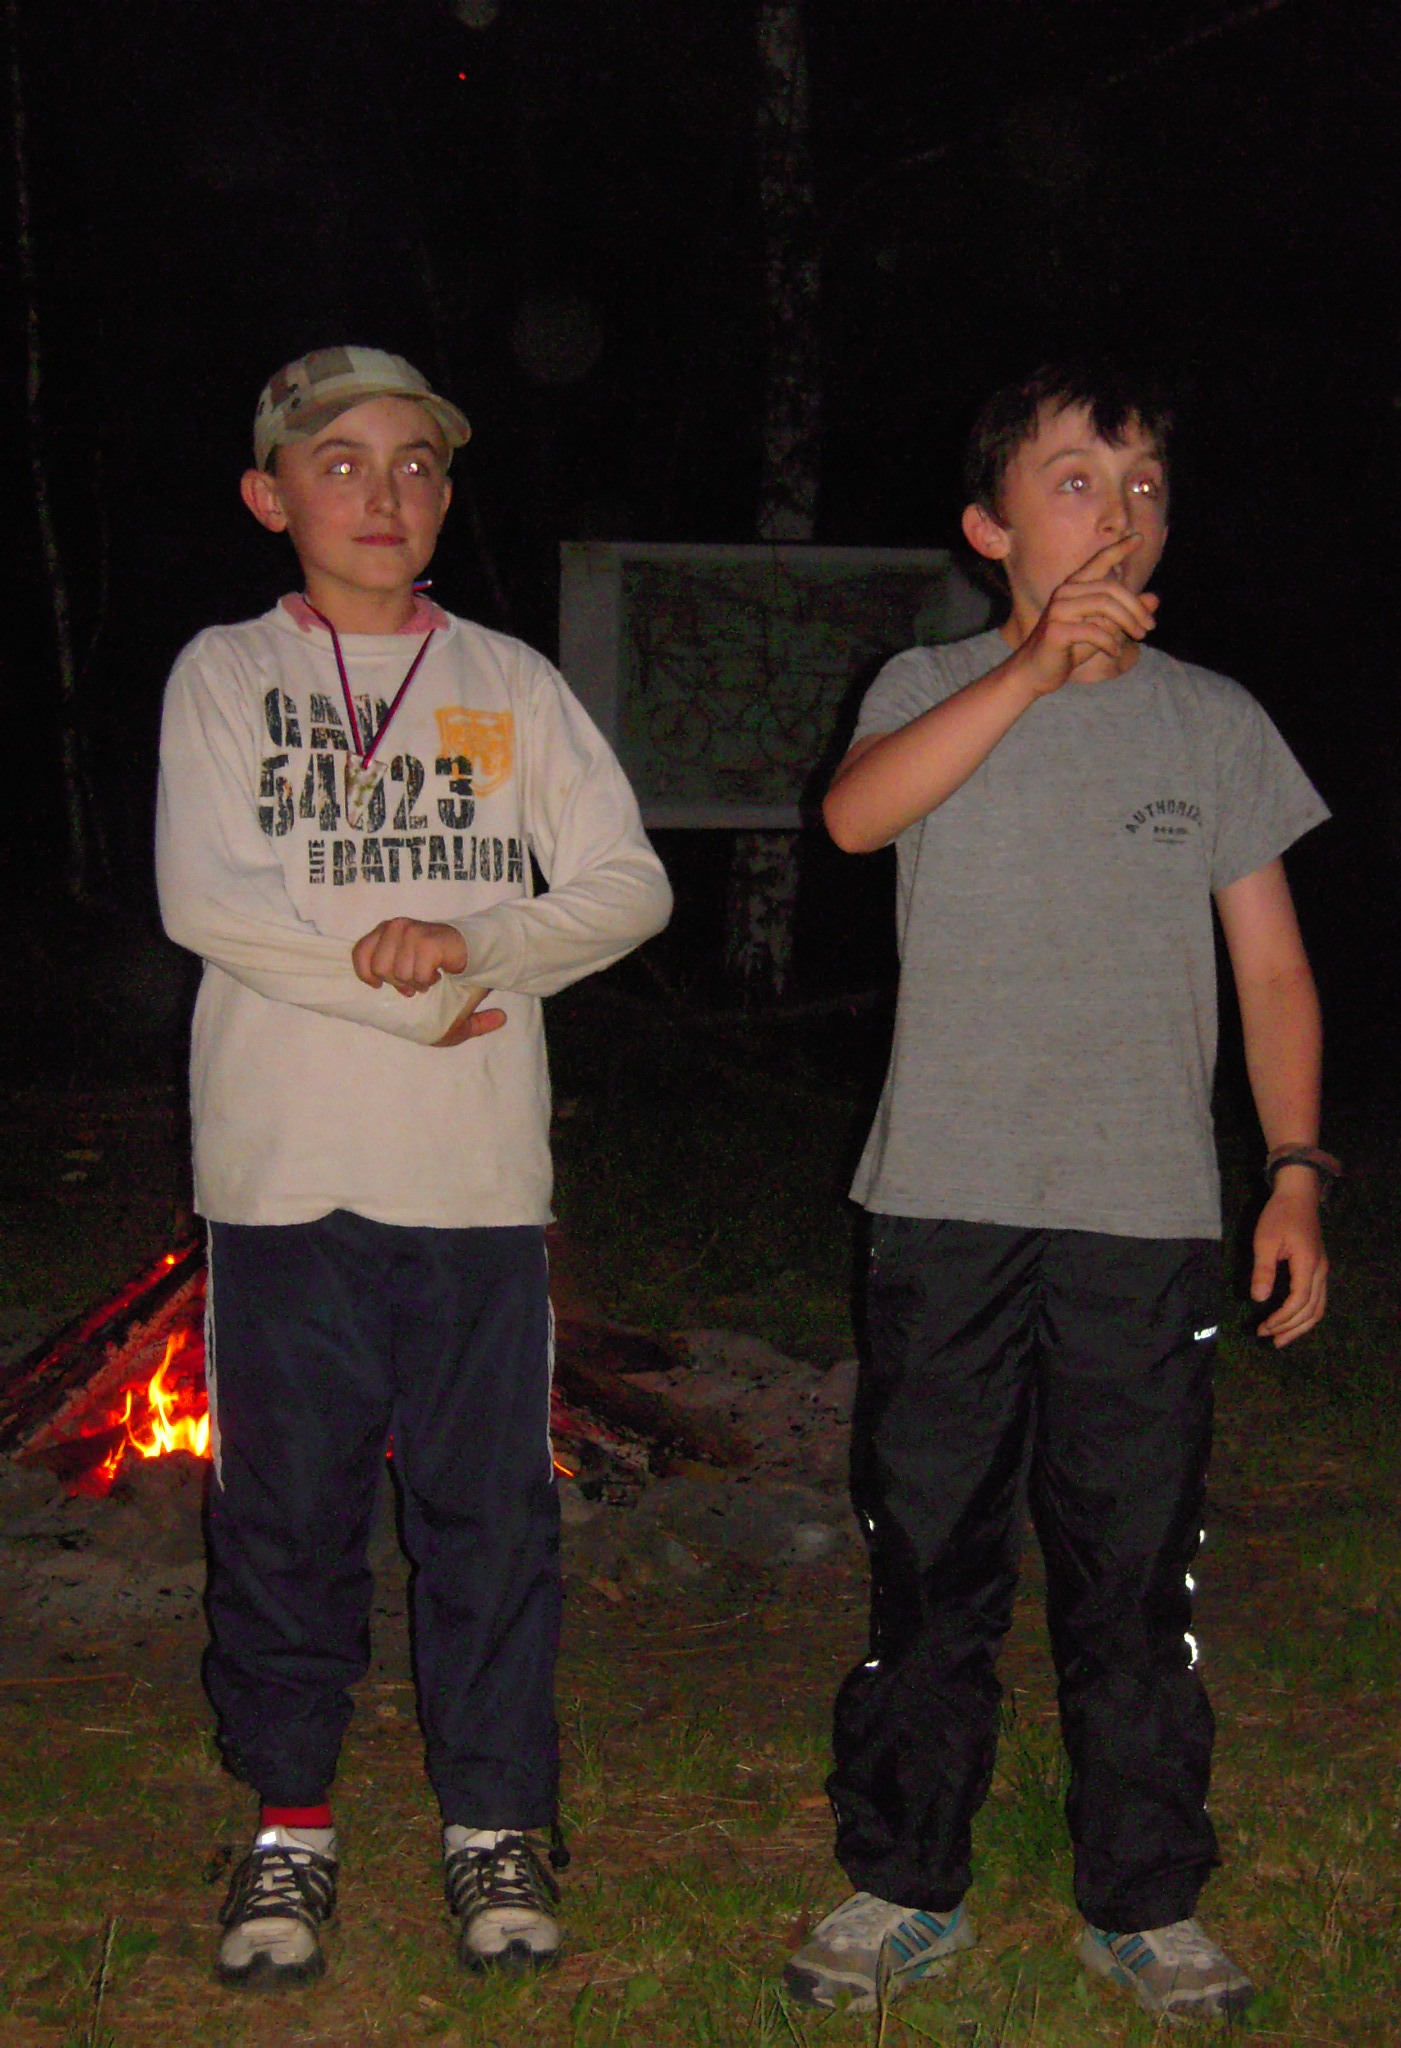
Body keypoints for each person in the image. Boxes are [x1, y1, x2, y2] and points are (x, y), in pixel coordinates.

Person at [783, 363, 1335, 2021]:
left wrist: (1296, 1172)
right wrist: (1031, 671)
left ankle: (1145, 1899)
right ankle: (903, 1880)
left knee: (1133, 1570)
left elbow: (1275, 973)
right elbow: (853, 819)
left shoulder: (1214, 721)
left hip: (1141, 1216)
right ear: (990, 526)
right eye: (1079, 477)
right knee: (929, 1557)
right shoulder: (929, 683)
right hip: (944, 1203)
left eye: (1146, 482)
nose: (1122, 510)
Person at [156, 345, 671, 1990]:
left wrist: (474, 945)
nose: (384, 495)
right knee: (283, 1516)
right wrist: (411, 996)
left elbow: (626, 885)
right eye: (340, 463)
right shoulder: (226, 674)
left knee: (490, 1517)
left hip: (473, 1183)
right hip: (281, 1176)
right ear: (270, 496)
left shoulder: (507, 681)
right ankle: (290, 1824)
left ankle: (496, 1823)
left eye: (418, 464)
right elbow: (208, 901)